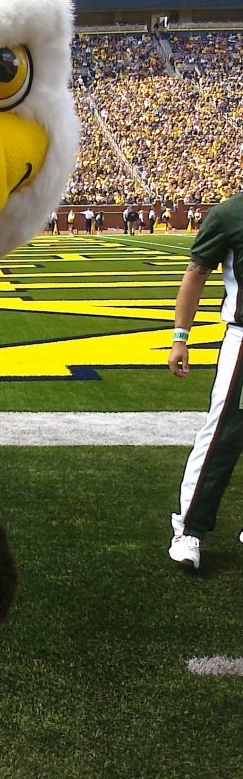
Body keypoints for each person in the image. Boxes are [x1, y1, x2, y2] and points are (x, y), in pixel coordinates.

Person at [167, 192, 243, 570]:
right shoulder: (231, 213)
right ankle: (188, 528)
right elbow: (196, 273)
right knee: (223, 435)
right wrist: (180, 338)